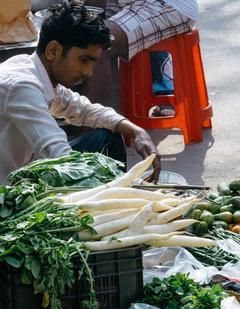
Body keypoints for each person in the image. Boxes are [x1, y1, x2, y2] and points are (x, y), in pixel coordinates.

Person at [0, 0, 161, 184]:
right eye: (84, 60)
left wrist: (135, 130)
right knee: (78, 172)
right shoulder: (21, 86)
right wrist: (132, 184)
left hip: (26, 173)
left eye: (92, 63)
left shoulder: (36, 71)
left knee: (109, 134)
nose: (89, 72)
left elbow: (86, 111)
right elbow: (59, 155)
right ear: (53, 50)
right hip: (8, 195)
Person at [82, 0, 198, 108]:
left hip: (164, 4)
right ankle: (106, 113)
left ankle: (97, 125)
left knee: (96, 39)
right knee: (81, 31)